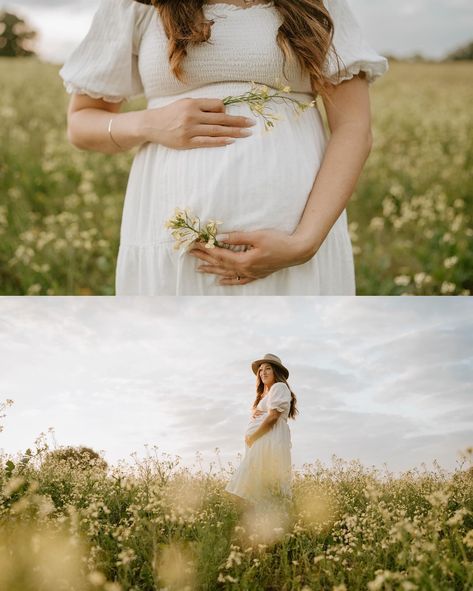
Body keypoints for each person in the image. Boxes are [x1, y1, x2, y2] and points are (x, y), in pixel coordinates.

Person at [59, 0, 388, 295]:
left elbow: (353, 127)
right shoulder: (137, 5)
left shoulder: (319, 4)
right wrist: (149, 123)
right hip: (172, 243)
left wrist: (303, 243)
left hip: (296, 240)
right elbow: (81, 124)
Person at [225, 353, 297, 506]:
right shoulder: (268, 394)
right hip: (263, 441)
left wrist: (253, 437)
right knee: (258, 485)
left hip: (268, 440)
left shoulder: (279, 387)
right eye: (261, 370)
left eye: (268, 369)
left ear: (276, 372)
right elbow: (268, 413)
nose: (263, 372)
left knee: (247, 484)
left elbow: (272, 417)